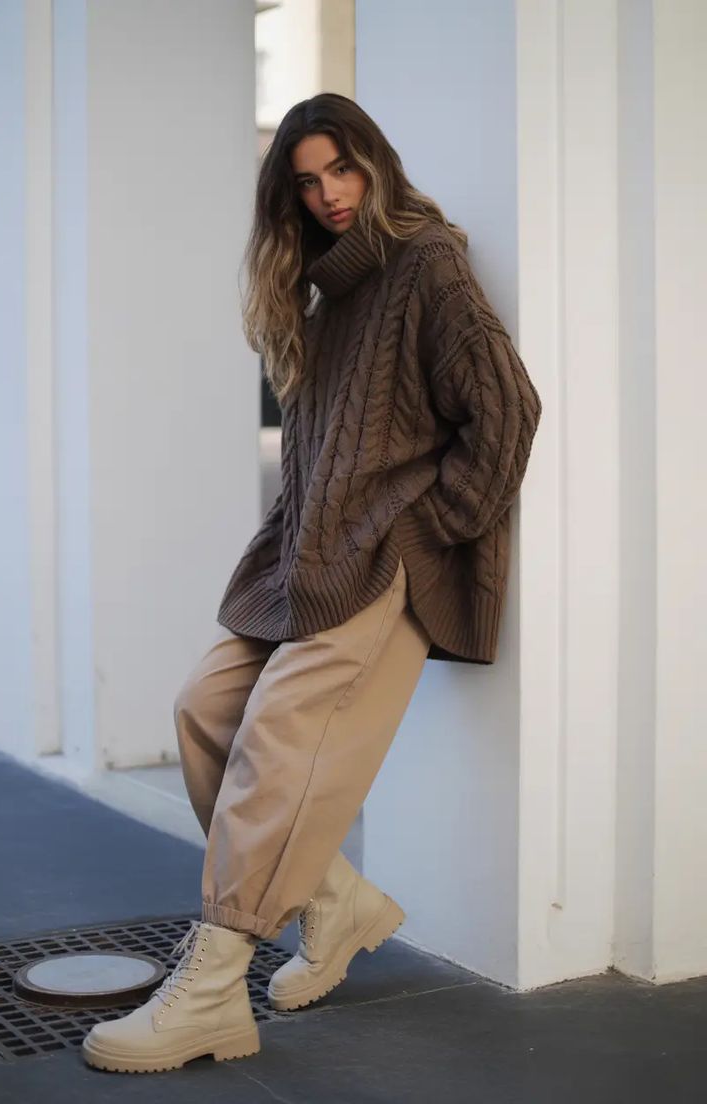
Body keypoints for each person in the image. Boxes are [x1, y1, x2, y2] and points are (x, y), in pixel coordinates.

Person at [82, 92, 542, 1074]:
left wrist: (431, 527)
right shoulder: (326, 298)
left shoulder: (425, 263)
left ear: (375, 163)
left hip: (380, 560)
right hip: (310, 556)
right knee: (206, 710)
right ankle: (335, 904)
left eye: (343, 168)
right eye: (307, 181)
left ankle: (213, 991)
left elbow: (506, 406)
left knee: (281, 739)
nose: (330, 193)